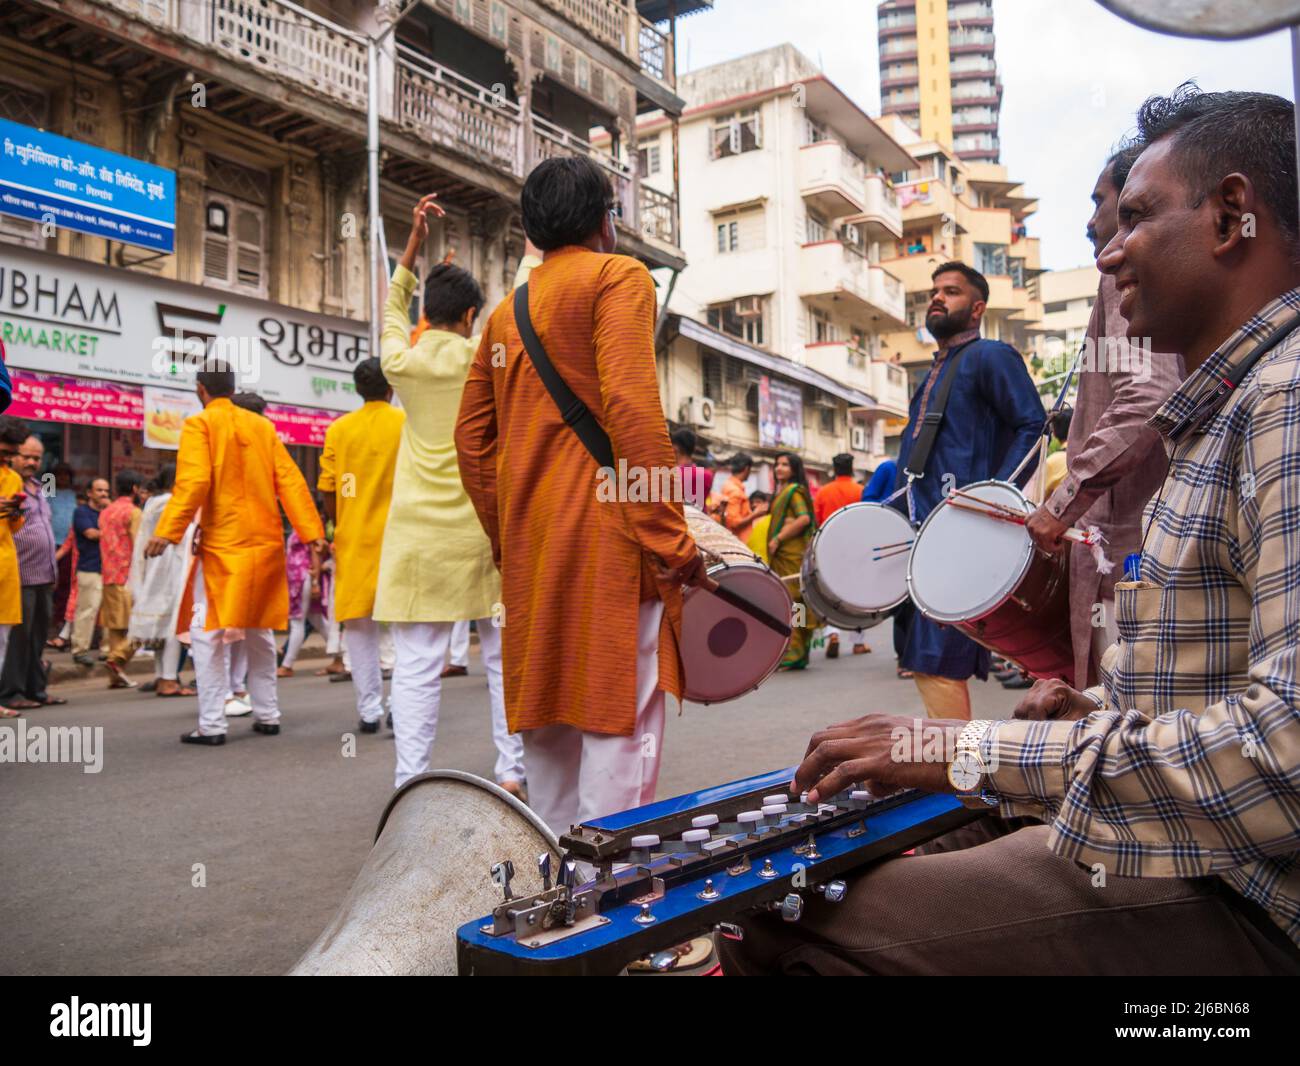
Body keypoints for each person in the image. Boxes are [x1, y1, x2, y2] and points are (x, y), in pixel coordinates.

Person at [718, 85, 1300, 977]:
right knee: (831, 862)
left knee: (793, 925)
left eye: (1134, 218)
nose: (1110, 256)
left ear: (1231, 216)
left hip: (1246, 893)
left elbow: (1286, 758)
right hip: (1194, 844)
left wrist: (979, 750)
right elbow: (1223, 695)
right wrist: (1092, 712)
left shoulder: (1285, 403)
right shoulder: (1226, 413)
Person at [456, 157, 711, 834]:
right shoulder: (617, 277)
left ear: (534, 232)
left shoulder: (504, 316)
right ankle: (615, 909)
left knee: (548, 728)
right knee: (617, 723)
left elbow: (471, 441)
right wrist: (667, 537)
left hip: (533, 551)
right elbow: (631, 410)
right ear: (605, 220)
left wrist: (507, 536)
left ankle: (563, 903)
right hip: (610, 544)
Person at [375, 194, 525, 795]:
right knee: (499, 659)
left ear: (428, 315)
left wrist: (412, 241)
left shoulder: (401, 363)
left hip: (417, 537)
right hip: (483, 530)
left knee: (414, 670)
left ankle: (410, 782)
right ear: (468, 317)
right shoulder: (484, 361)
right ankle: (512, 771)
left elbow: (390, 304)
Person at [1026, 144, 1186, 689]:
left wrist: (1062, 505)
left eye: (1102, 202)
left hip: (1126, 554)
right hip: (1133, 543)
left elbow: (1147, 396)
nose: (1093, 223)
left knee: (1121, 712)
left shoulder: (1123, 269)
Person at [891, 262, 1044, 719]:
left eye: (951, 292)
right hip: (931, 537)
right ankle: (963, 774)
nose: (936, 298)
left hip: (962, 535)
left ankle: (964, 776)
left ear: (977, 308)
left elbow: (1033, 427)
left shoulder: (989, 355)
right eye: (934, 291)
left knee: (936, 662)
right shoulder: (935, 372)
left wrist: (993, 500)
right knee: (929, 660)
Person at [145, 362, 324, 745]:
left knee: (207, 633)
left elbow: (194, 482)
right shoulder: (262, 426)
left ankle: (212, 725)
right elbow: (290, 480)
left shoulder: (200, 424)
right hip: (265, 544)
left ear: (200, 389)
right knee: (258, 632)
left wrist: (168, 531)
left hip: (224, 547)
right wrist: (312, 534)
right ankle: (268, 715)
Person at [317, 357, 405, 734]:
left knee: (359, 632)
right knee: (406, 633)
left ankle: (369, 711)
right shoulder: (406, 423)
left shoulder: (340, 429)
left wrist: (341, 522)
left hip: (354, 542)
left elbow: (329, 489)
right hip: (401, 537)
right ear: (391, 389)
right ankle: (401, 707)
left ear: (358, 389)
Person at [1, 435, 62, 709]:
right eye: (26, 456)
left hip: (45, 573)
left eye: (36, 458)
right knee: (18, 637)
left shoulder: (41, 486)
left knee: (38, 635)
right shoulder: (7, 483)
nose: (31, 462)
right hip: (19, 572)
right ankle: (11, 692)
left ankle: (36, 689)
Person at [128, 463, 195, 697]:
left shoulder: (153, 503)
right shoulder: (172, 503)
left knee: (161, 623)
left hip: (156, 565)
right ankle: (168, 679)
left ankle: (161, 676)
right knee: (174, 624)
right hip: (173, 566)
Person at [813, 452, 869, 658]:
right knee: (858, 594)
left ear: (834, 470)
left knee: (829, 592)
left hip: (829, 547)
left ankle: (833, 633)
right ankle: (858, 643)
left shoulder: (823, 492)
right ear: (852, 468)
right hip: (856, 547)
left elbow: (817, 520)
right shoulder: (861, 490)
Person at [766, 452, 818, 671]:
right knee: (790, 601)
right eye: (777, 464)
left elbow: (804, 518)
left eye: (785, 465)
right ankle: (796, 650)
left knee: (793, 601)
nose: (779, 468)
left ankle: (795, 652)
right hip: (783, 555)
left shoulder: (794, 492)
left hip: (792, 554)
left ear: (794, 469)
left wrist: (779, 538)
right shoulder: (781, 492)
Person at [98, 470, 142, 689]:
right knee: (142, 626)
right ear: (135, 489)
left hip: (108, 574)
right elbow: (138, 544)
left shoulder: (105, 512)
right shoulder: (133, 512)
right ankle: (116, 660)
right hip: (128, 576)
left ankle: (115, 677)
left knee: (116, 629)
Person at [0, 416, 28, 716]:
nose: (7, 458)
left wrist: (15, 511)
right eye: (3, 451)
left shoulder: (13, 478)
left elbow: (15, 527)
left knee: (2, 639)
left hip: (6, 565)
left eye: (11, 453)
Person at [70, 477, 110, 667]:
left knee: (110, 612)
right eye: (99, 490)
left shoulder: (107, 513)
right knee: (87, 610)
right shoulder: (81, 512)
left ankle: (107, 650)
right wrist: (113, 531)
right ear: (89, 493)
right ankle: (80, 650)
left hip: (109, 569)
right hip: (89, 568)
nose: (103, 494)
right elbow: (91, 534)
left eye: (106, 491)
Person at [47, 463, 75, 649]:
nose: (63, 478)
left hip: (69, 543)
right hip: (50, 543)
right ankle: (47, 620)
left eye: (66, 475)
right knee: (49, 582)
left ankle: (59, 619)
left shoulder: (74, 495)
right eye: (59, 475)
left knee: (65, 583)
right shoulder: (47, 493)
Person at [671, 426, 712, 510]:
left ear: (675, 448)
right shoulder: (707, 475)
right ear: (693, 448)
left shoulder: (671, 476)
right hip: (699, 520)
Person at [716, 453, 754, 538]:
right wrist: (756, 514)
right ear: (747, 469)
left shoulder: (728, 485)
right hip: (738, 539)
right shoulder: (735, 491)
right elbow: (734, 523)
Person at [745, 490, 772, 563]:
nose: (754, 505)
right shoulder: (747, 521)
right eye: (752, 503)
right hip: (750, 559)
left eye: (758, 502)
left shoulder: (771, 520)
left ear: (766, 504)